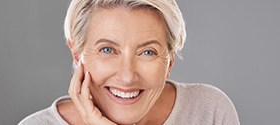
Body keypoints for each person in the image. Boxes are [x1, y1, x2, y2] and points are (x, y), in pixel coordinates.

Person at [19, 0, 240, 124]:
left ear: (169, 61)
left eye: (148, 52)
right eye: (107, 50)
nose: (127, 77)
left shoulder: (208, 111)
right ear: (77, 54)